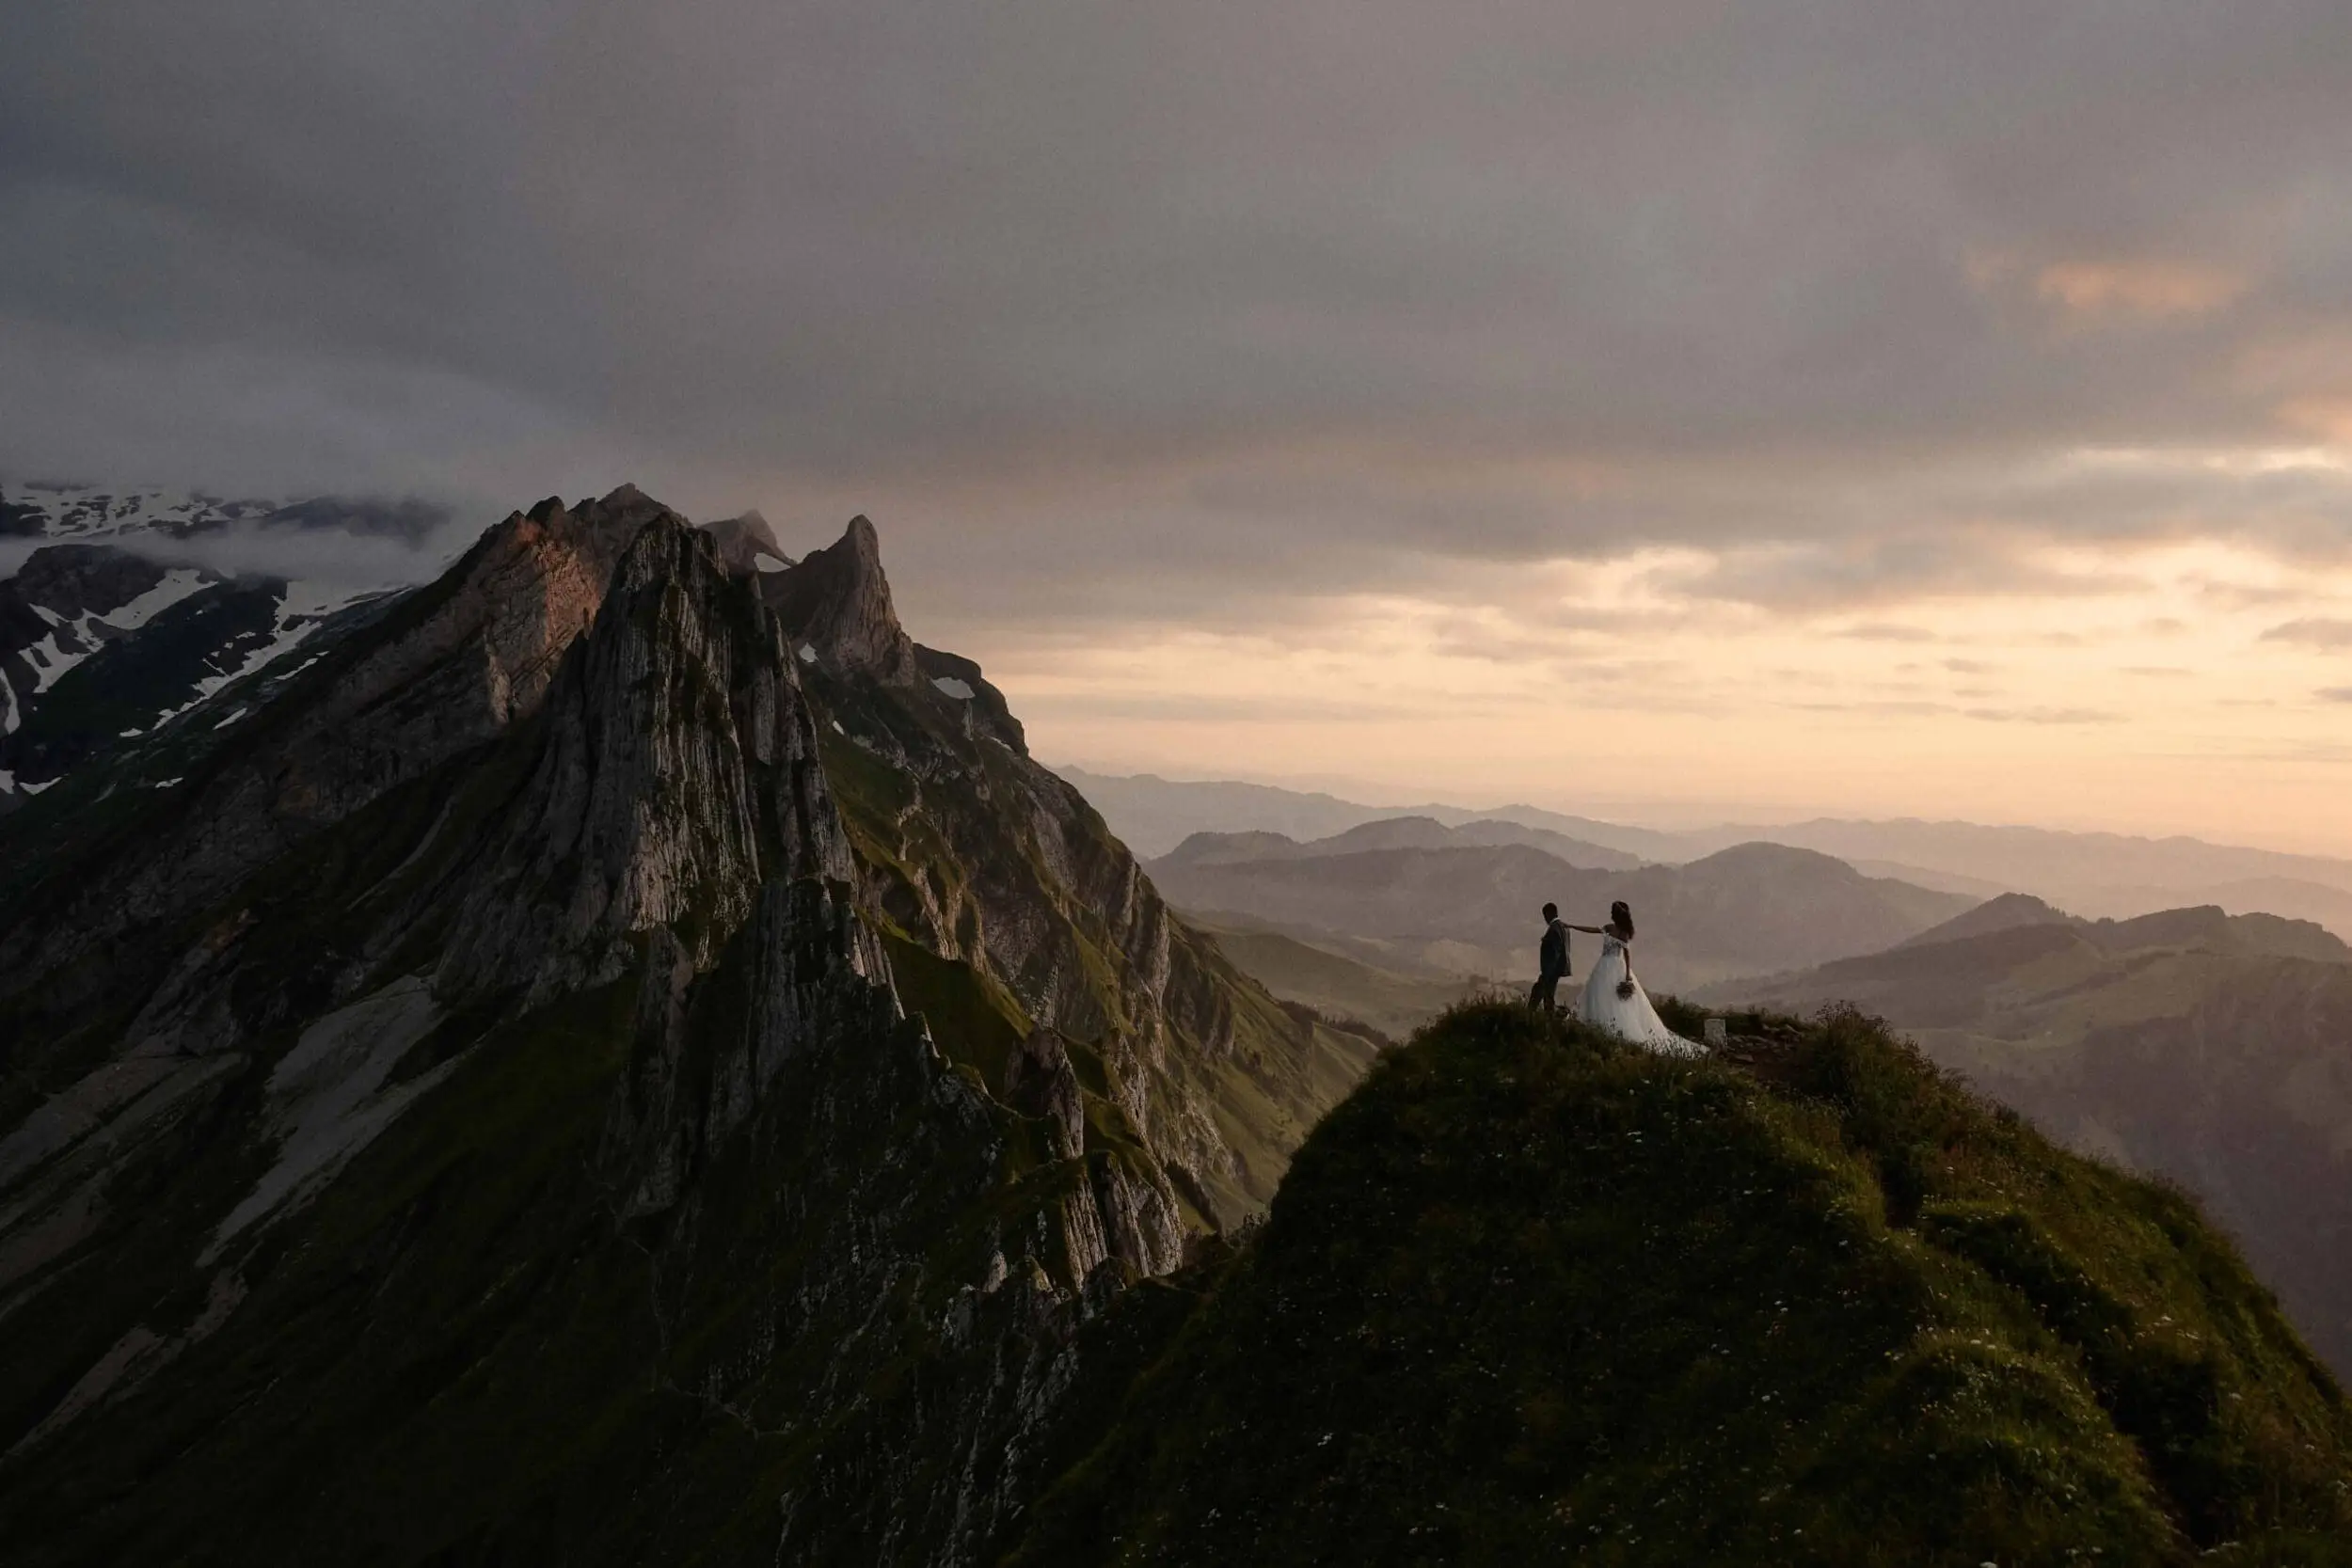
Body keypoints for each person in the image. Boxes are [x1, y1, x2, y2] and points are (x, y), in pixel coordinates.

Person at [1567, 900, 1700, 1055]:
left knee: (1610, 998)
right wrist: (1573, 926)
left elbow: (1626, 954)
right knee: (1602, 996)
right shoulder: (1614, 929)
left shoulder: (1621, 932)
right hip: (1608, 965)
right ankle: (1603, 1029)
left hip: (1611, 966)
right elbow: (1593, 930)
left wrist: (1628, 975)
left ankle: (1610, 1031)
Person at [1528, 901, 1570, 1014]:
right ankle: (1550, 1018)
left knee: (1539, 993)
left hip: (1550, 970)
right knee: (1547, 996)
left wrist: (1548, 972)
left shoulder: (1554, 929)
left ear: (1548, 914)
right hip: (1554, 970)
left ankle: (1529, 1016)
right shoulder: (1563, 928)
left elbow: (1555, 952)